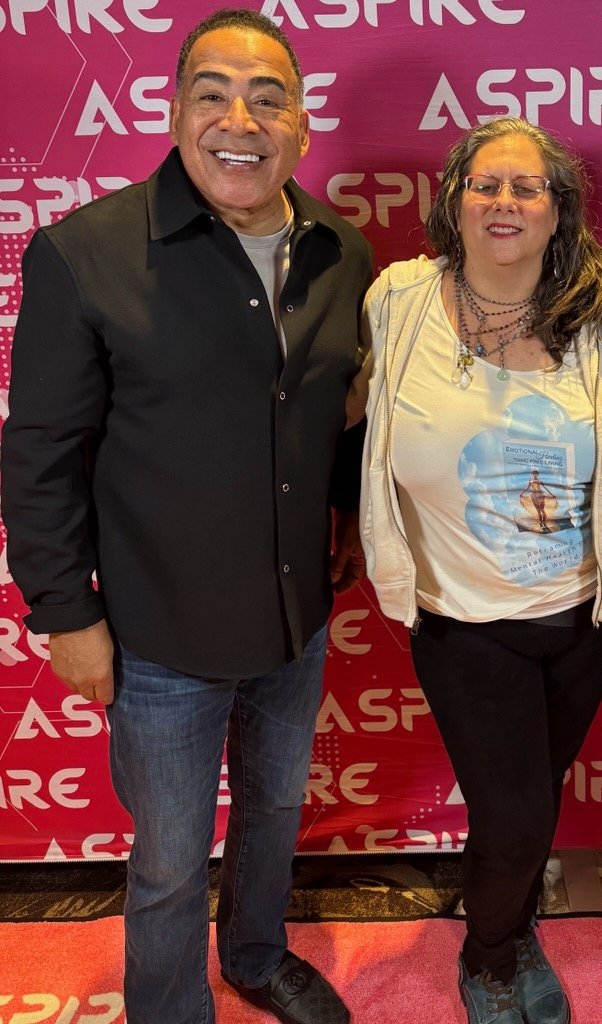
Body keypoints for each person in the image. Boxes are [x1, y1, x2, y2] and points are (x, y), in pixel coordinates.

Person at [0, 9, 371, 1024]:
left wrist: (345, 514)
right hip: (158, 634)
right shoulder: (86, 253)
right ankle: (168, 1006)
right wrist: (64, 613)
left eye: (267, 99)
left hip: (295, 619)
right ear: (173, 113)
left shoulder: (343, 251)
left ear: (300, 124)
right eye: (213, 94)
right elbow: (39, 453)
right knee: (168, 857)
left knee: (276, 811)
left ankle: (255, 955)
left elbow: (340, 412)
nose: (239, 120)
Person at [354, 117, 602, 1024]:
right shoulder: (398, 301)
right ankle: (487, 959)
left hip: (583, 620)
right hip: (464, 622)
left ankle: (514, 932)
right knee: (514, 817)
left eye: (528, 187)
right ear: (455, 202)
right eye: (485, 185)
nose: (504, 202)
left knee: (530, 799)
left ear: (560, 210)